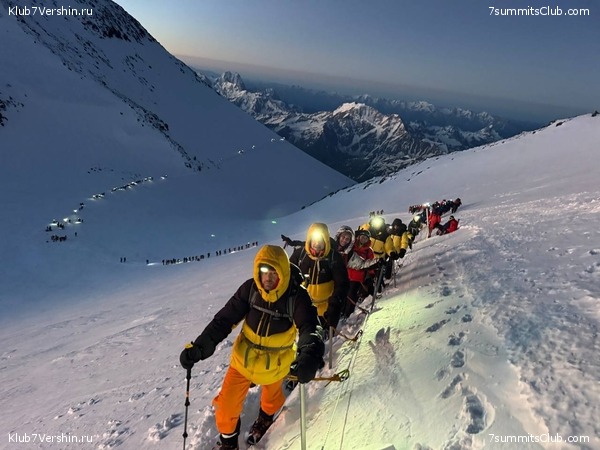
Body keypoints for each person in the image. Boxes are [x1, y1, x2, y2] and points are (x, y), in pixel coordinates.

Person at [179, 245, 324, 450]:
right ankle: (229, 443)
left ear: (282, 272)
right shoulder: (250, 289)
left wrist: (309, 353)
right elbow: (224, 320)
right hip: (243, 361)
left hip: (276, 364)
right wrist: (200, 347)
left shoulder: (296, 297)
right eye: (264, 272)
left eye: (274, 273)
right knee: (225, 407)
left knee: (271, 400)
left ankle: (265, 418)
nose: (268, 278)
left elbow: (310, 326)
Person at [289, 223, 349, 334]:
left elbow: (342, 284)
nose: (316, 244)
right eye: (314, 240)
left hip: (327, 307)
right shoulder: (300, 255)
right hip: (304, 306)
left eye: (320, 240)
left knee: (324, 335)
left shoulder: (334, 257)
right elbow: (288, 277)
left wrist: (335, 306)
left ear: (325, 241)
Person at [344, 229, 377, 317]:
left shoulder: (368, 251)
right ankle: (342, 312)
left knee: (352, 295)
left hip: (358, 277)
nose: (364, 239)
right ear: (358, 237)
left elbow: (370, 263)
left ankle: (348, 314)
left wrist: (371, 274)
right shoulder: (352, 246)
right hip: (346, 275)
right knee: (344, 295)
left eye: (366, 238)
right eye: (362, 237)